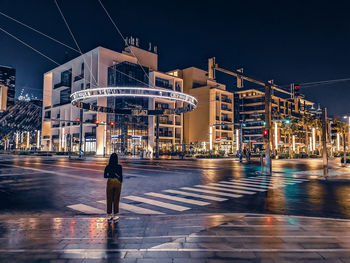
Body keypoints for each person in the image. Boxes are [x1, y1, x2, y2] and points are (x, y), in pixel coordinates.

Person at [104, 153, 123, 223]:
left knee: (109, 198)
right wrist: (120, 182)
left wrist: (110, 175)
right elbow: (121, 176)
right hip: (117, 182)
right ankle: (115, 214)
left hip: (110, 181)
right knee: (116, 199)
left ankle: (109, 215)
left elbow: (105, 176)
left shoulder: (108, 166)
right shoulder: (119, 167)